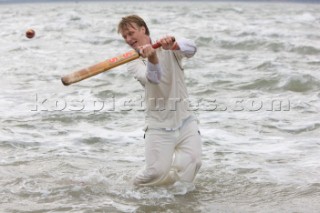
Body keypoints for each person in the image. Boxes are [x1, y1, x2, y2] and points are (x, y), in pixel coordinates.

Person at [117, 15, 202, 188]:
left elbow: (192, 49)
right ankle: (126, 191)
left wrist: (174, 44)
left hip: (185, 120)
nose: (128, 39)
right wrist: (153, 58)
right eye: (124, 36)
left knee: (193, 164)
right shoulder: (132, 62)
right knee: (155, 173)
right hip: (158, 126)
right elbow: (154, 79)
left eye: (131, 33)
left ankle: (175, 200)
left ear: (143, 29)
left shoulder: (168, 44)